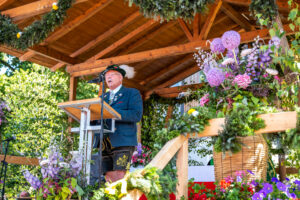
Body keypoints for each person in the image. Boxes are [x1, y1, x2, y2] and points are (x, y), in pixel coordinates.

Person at [92, 64, 143, 183]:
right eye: (106, 76)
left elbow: (136, 115)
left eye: (112, 75)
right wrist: (87, 115)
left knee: (119, 175)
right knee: (105, 176)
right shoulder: (102, 97)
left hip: (123, 142)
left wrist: (113, 112)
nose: (108, 78)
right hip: (103, 142)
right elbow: (97, 118)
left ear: (120, 78)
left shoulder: (131, 93)